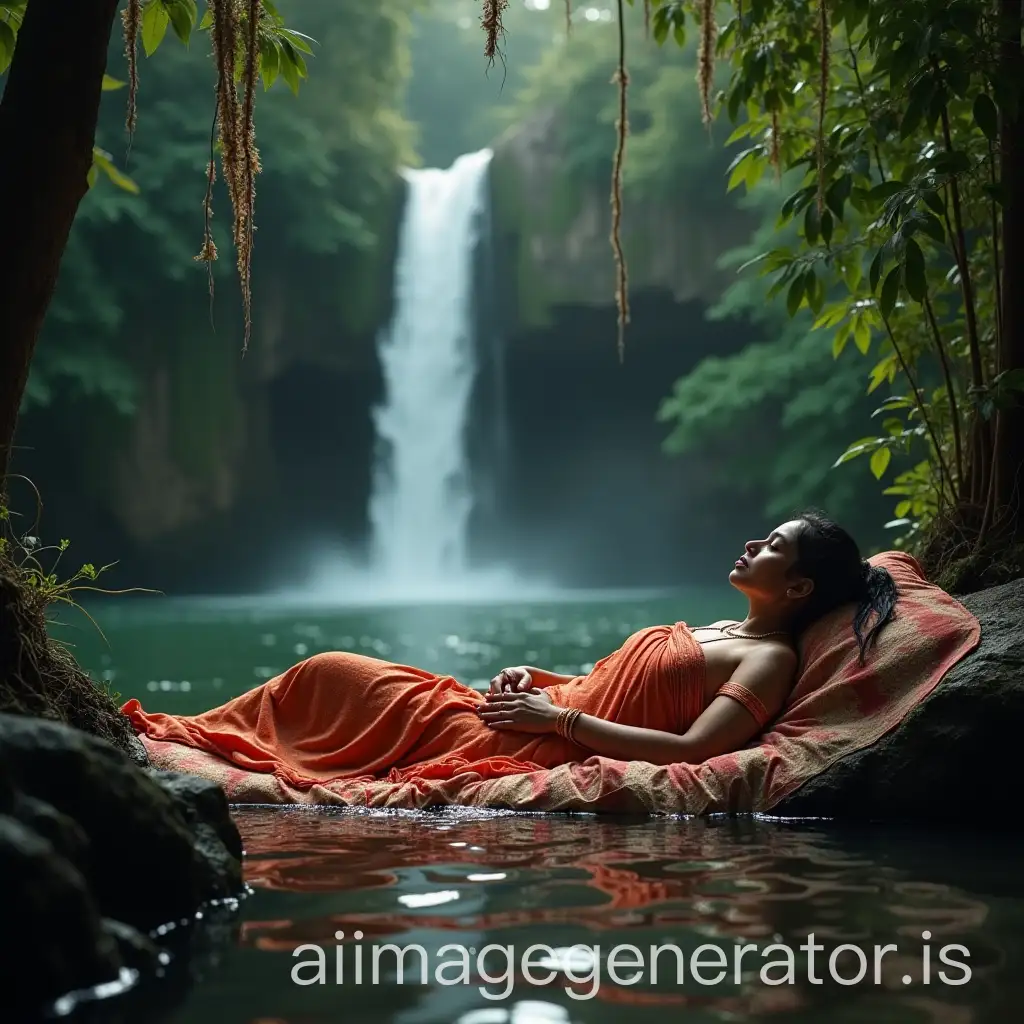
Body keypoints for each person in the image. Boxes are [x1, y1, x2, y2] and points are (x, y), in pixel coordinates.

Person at [122, 512, 898, 786]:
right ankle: (183, 737)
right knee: (328, 674)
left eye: (774, 547)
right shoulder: (721, 628)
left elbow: (689, 751)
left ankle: (172, 745)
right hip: (523, 713)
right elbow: (611, 682)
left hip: (533, 744)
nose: (752, 544)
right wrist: (544, 681)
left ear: (798, 590)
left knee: (329, 675)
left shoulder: (770, 660)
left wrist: (553, 723)